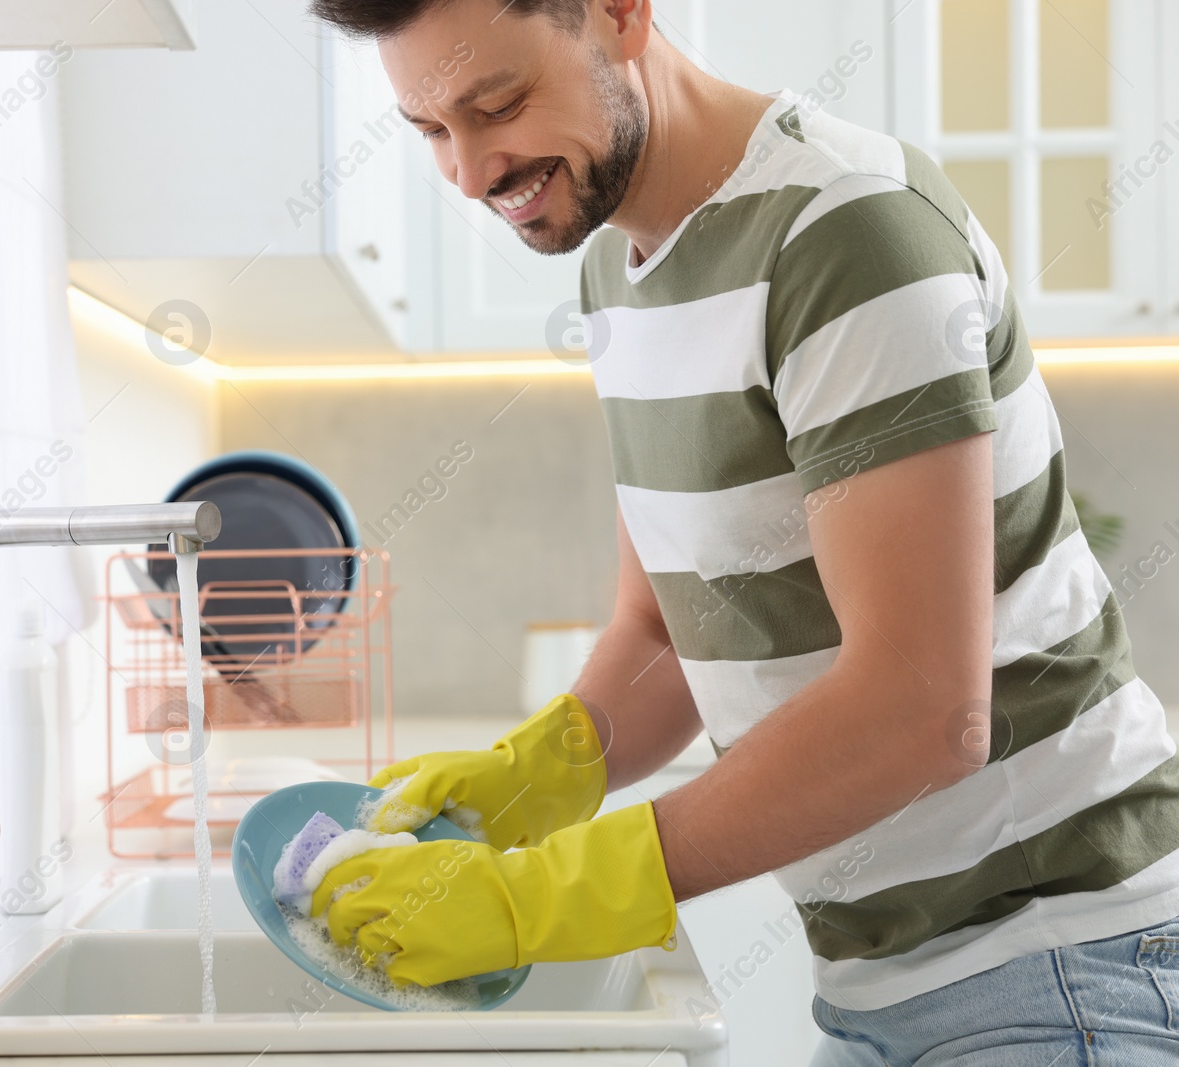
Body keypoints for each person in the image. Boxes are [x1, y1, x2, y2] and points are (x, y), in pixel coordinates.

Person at [304, 1, 1179, 1062]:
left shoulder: (846, 232)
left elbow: (923, 708)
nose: (470, 169)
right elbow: (671, 628)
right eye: (430, 130)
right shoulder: (613, 267)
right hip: (875, 984)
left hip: (1056, 962)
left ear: (620, 12)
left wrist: (550, 890)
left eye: (498, 104)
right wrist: (544, 767)